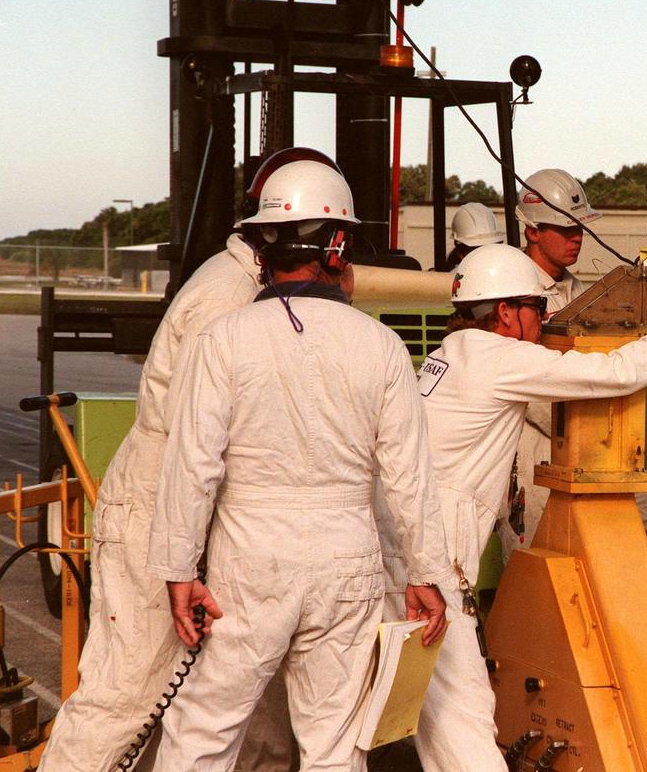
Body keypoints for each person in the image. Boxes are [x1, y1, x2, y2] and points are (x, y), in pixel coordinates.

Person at [38, 147, 341, 772]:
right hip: (167, 512)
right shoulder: (226, 299)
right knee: (126, 697)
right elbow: (197, 442)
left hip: (219, 517)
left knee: (257, 716)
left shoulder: (252, 291)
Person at [145, 159, 453, 771]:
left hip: (250, 561)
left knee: (202, 730)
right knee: (335, 746)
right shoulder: (382, 346)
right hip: (346, 562)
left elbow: (192, 467)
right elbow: (409, 478)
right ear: (337, 247)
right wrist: (427, 572)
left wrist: (178, 570)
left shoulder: (224, 340)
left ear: (265, 248)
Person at [412, 243, 647, 772]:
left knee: (397, 722)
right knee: (464, 725)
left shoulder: (449, 356)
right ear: (507, 313)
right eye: (537, 308)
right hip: (435, 562)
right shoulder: (497, 359)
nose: (546, 319)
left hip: (400, 551)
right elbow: (617, 373)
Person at [507, 168, 647, 585]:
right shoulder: (508, 288)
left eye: (580, 228)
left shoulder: (578, 294)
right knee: (535, 560)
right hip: (528, 440)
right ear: (532, 230)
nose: (576, 238)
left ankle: (631, 625)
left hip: (589, 436)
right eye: (565, 228)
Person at [446, 201, 504, 269]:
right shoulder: (449, 278)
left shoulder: (507, 273)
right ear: (460, 253)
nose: (486, 257)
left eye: (491, 249)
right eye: (477, 251)